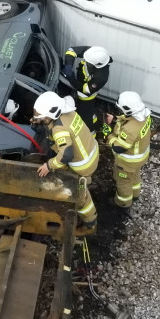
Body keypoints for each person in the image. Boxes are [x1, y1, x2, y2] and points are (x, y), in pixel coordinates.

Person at [33, 92, 99, 234]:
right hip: (91, 152)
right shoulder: (68, 114)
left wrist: (49, 165)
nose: (40, 117)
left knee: (79, 194)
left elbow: (67, 154)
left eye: (42, 115)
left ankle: (90, 223)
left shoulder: (59, 129)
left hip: (83, 165)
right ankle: (86, 181)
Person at [105, 91, 151, 208]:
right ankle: (135, 194)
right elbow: (130, 120)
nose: (120, 111)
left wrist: (109, 136)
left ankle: (123, 202)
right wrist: (116, 119)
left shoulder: (130, 129)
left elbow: (119, 147)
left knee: (123, 182)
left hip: (127, 162)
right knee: (135, 176)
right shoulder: (145, 114)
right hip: (140, 156)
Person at [62, 45, 112, 133]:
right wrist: (68, 64)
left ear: (96, 65)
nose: (85, 61)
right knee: (89, 113)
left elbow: (86, 90)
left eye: (88, 62)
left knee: (85, 117)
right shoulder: (92, 53)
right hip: (81, 88)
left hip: (86, 98)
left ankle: (91, 134)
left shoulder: (101, 77)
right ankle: (94, 120)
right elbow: (71, 50)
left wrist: (71, 79)